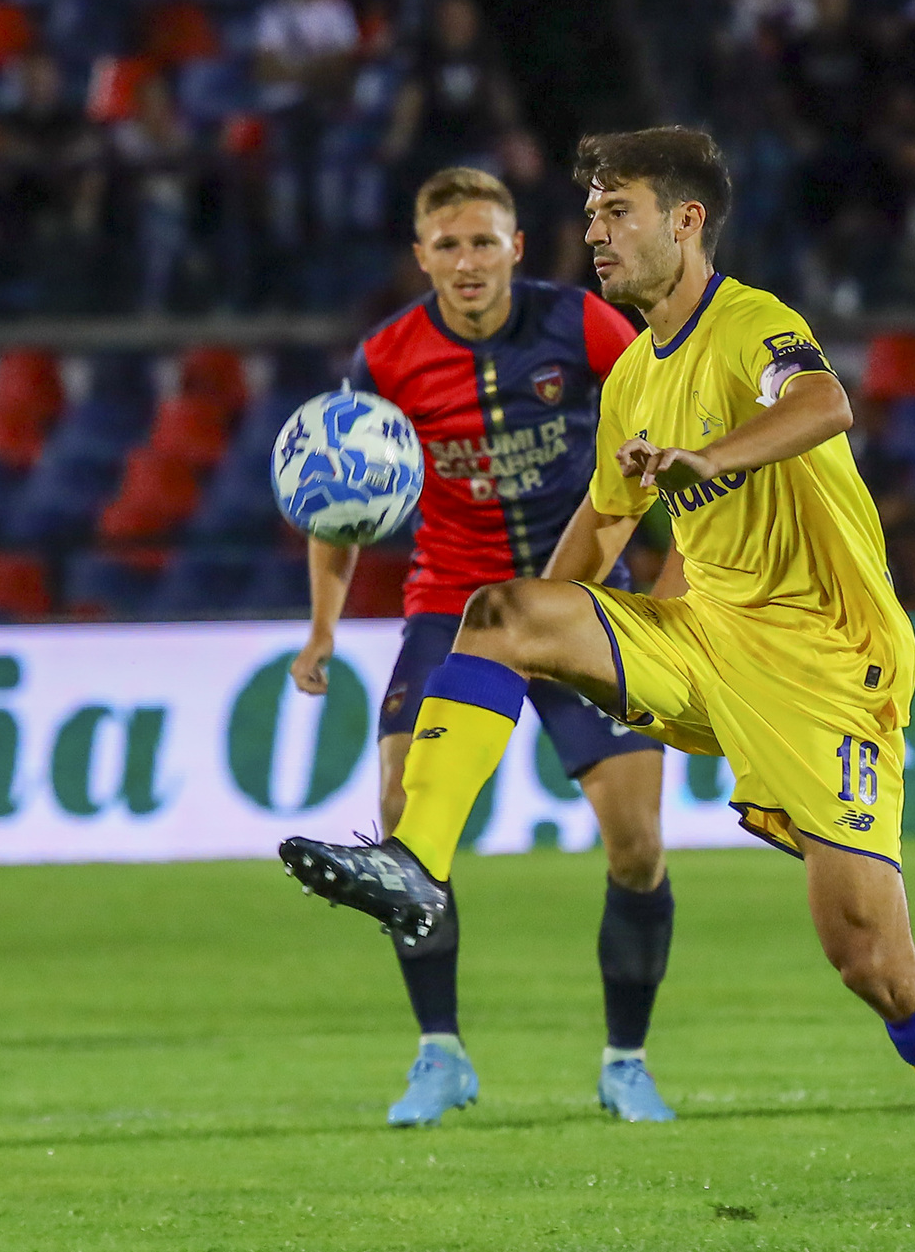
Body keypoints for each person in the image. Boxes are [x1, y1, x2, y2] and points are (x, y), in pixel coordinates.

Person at [278, 127, 915, 1227]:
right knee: (495, 608)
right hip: (700, 634)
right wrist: (533, 638)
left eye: (619, 212)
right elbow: (598, 528)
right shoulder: (632, 376)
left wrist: (712, 457)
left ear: (686, 222)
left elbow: (825, 405)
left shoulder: (754, 322)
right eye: (590, 215)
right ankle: (414, 860)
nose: (595, 233)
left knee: (870, 954)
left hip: (826, 664)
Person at [289, 167, 680, 1126]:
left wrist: (675, 586)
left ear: (516, 247)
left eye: (484, 242)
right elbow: (335, 503)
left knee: (636, 845)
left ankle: (625, 1062)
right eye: (448, 246)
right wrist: (324, 631)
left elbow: (667, 437)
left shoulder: (583, 326)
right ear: (422, 258)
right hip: (452, 610)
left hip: (580, 602)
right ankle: (440, 1054)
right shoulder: (386, 359)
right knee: (399, 817)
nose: (467, 262)